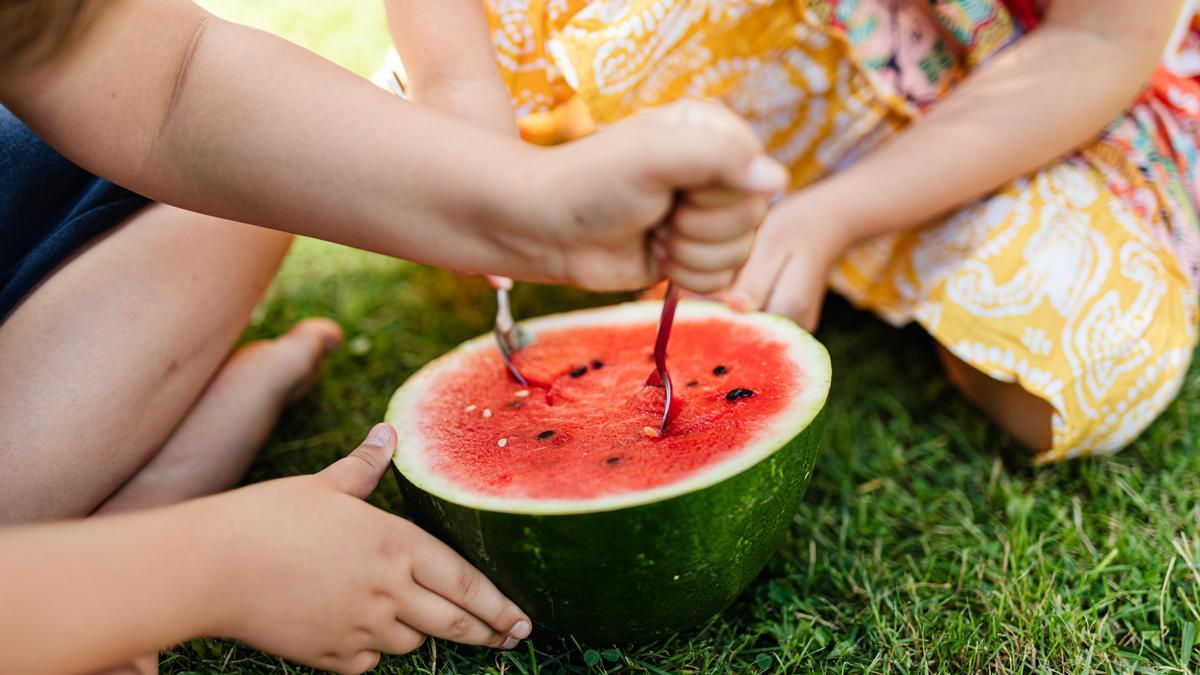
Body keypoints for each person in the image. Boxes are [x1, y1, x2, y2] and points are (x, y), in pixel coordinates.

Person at [0, 0, 786, 672]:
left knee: (259, 192)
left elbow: (161, 84)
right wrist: (216, 567)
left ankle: (99, 541)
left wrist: (523, 205)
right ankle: (152, 495)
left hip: (55, 188)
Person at [386, 0, 1200, 462]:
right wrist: (456, 92)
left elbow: (1095, 41)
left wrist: (832, 218)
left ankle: (862, 242)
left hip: (1024, 98)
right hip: (781, 30)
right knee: (424, 103)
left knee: (1078, 375)